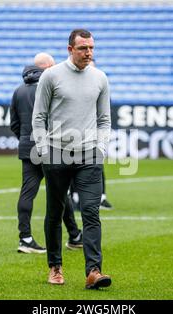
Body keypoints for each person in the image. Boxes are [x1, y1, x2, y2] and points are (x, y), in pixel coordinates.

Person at [32, 29, 112, 289]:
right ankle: (55, 267)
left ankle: (94, 271)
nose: (88, 52)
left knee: (90, 211)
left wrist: (101, 149)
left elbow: (104, 119)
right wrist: (44, 149)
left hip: (89, 155)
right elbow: (39, 116)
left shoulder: (100, 78)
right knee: (55, 212)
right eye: (82, 48)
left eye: (91, 47)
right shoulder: (51, 76)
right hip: (56, 153)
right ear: (70, 49)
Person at [10, 52, 83, 254]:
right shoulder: (51, 86)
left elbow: (14, 124)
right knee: (61, 192)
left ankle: (25, 238)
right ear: (48, 67)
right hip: (51, 147)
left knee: (27, 192)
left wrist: (26, 141)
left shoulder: (18, 91)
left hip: (28, 147)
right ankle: (75, 236)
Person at [70, 59, 113, 211]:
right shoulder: (73, 87)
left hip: (93, 133)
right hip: (76, 133)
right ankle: (74, 197)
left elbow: (105, 114)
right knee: (73, 165)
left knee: (97, 165)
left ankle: (101, 197)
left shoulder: (100, 85)